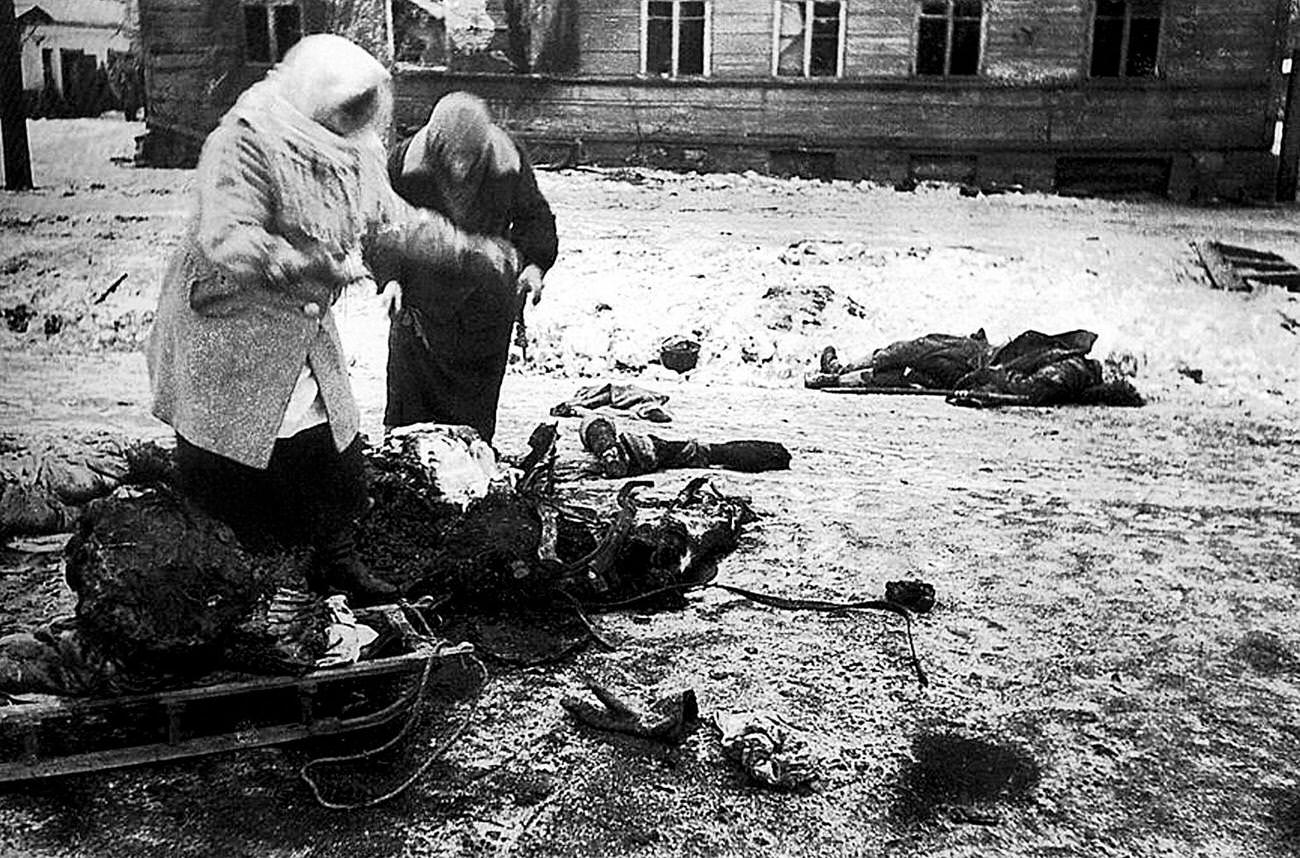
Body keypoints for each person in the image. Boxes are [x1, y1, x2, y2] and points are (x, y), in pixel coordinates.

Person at [147, 36, 517, 604]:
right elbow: (228, 236)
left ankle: (336, 560)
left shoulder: (352, 152)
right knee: (230, 460)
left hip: (301, 325)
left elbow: (394, 221)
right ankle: (235, 586)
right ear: (315, 97)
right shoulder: (246, 142)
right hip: (226, 324)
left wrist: (467, 249)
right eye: (347, 108)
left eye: (364, 109)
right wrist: (309, 261)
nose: (357, 120)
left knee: (330, 445)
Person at [381, 92, 558, 444]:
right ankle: (405, 462)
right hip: (421, 301)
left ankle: (470, 461)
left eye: (469, 157)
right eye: (453, 156)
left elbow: (533, 215)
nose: (461, 166)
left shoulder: (509, 161)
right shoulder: (404, 163)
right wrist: (389, 278)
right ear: (436, 145)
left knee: (474, 407)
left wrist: (535, 264)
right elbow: (384, 226)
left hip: (486, 300)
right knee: (411, 401)